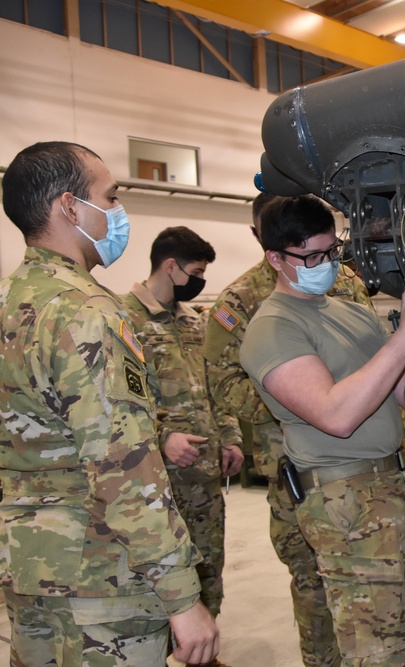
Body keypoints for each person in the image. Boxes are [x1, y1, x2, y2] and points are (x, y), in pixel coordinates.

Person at [0, 141, 219, 665]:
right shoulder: (87, 311)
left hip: (28, 565)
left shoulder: (11, 301)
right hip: (101, 578)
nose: (119, 212)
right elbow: (124, 465)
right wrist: (182, 594)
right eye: (112, 197)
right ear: (70, 207)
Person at [240, 195, 405, 667]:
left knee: (397, 632)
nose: (325, 265)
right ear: (275, 258)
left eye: (330, 252)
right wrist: (404, 338)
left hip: (391, 486)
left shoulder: (354, 313)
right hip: (344, 500)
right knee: (370, 647)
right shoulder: (272, 328)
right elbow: (335, 416)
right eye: (311, 257)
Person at [205, 192, 377, 667]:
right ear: (265, 241)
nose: (319, 260)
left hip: (364, 456)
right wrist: (297, 403)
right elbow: (222, 383)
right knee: (313, 576)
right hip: (294, 463)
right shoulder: (239, 302)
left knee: (377, 567)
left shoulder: (343, 279)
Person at [120, 226, 244, 666]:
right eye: (194, 271)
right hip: (153, 484)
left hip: (204, 478)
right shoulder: (122, 319)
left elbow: (216, 385)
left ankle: (202, 658)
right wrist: (161, 438)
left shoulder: (195, 321)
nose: (199, 280)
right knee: (157, 578)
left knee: (208, 568)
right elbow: (113, 401)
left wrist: (230, 436)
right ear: (169, 266)